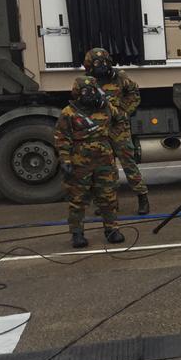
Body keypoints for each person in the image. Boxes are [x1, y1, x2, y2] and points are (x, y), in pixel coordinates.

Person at [54, 76, 125, 248]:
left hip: (104, 159)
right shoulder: (68, 113)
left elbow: (121, 120)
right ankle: (77, 233)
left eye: (92, 90)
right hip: (80, 160)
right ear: (77, 93)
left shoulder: (107, 108)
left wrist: (115, 140)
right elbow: (61, 138)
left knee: (108, 196)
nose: (89, 94)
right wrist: (65, 159)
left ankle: (112, 230)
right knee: (78, 199)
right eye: (85, 91)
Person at [83, 47, 150, 215]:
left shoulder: (120, 77)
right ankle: (109, 203)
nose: (101, 66)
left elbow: (134, 94)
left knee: (129, 164)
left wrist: (125, 111)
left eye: (104, 62)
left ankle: (143, 198)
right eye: (96, 63)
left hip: (119, 129)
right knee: (105, 169)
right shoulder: (87, 81)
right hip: (100, 130)